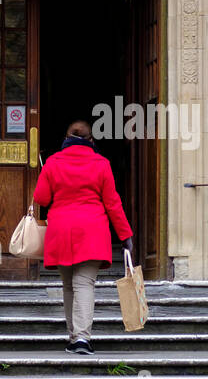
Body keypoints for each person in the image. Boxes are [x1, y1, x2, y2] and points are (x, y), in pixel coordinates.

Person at [32, 120, 133, 355]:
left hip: (61, 230)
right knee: (84, 283)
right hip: (92, 230)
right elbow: (112, 203)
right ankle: (82, 338)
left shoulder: (53, 162)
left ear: (65, 138)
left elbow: (42, 198)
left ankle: (74, 336)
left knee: (68, 285)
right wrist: (125, 235)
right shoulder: (101, 163)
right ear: (91, 140)